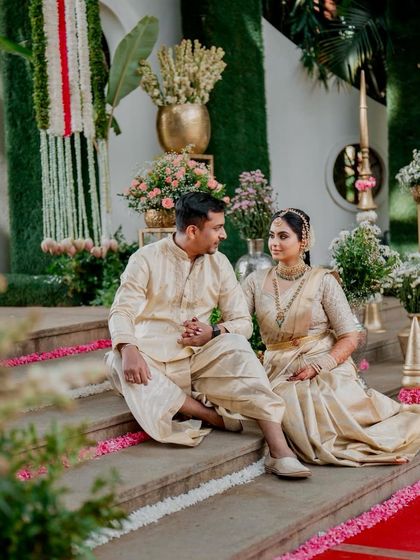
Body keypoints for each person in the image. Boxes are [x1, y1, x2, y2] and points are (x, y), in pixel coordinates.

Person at [106, 193, 311, 478]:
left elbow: (241, 321)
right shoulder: (146, 259)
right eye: (217, 228)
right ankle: (210, 416)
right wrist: (128, 347)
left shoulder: (220, 264)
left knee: (237, 345)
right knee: (116, 361)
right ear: (192, 231)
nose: (224, 234)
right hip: (151, 358)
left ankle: (279, 450)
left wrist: (214, 331)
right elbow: (122, 310)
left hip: (198, 359)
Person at [242, 208, 420, 466]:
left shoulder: (323, 281)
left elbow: (350, 335)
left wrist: (318, 366)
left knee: (323, 395)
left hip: (325, 363)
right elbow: (238, 322)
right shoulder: (255, 281)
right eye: (271, 236)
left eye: (283, 236)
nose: (274, 243)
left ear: (302, 241)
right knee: (291, 395)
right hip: (278, 367)